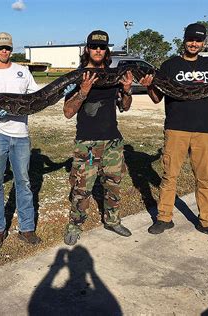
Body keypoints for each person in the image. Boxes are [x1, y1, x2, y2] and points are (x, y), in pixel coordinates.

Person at [139, 23, 208, 241]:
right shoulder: (170, 65)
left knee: (204, 178)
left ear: (203, 43)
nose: (194, 43)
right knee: (169, 176)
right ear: (184, 40)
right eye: (191, 39)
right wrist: (148, 86)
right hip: (176, 129)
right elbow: (156, 98)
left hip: (204, 130)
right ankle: (164, 218)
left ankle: (207, 222)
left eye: (198, 40)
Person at [63, 30, 134, 246]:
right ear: (87, 49)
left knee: (113, 185)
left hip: (113, 141)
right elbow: (67, 111)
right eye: (94, 46)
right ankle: (75, 225)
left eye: (102, 47)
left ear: (106, 50)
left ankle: (112, 220)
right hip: (87, 143)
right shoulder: (78, 76)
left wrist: (127, 90)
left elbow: (124, 107)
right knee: (81, 188)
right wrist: (83, 92)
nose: (98, 50)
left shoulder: (114, 76)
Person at [0, 32, 41, 249]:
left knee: (23, 182)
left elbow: (37, 98)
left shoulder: (23, 71)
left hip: (21, 134)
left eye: (8, 48)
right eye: (0, 48)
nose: (4, 52)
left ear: (12, 50)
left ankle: (26, 228)